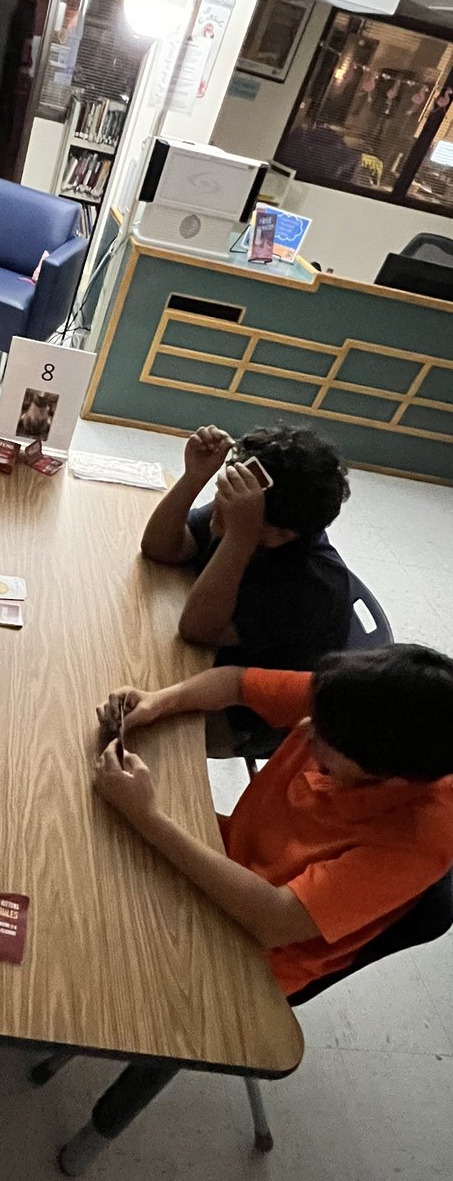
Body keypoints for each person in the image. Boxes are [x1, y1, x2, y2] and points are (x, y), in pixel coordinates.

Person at [95, 644, 453, 999]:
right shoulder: (354, 703)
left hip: (253, 956)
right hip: (223, 854)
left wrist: (147, 816)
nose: (307, 729)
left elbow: (273, 921)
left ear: (388, 775)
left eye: (324, 739)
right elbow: (236, 684)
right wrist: (158, 702)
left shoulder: (420, 837)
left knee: (113, 969)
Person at [141, 424, 351, 754]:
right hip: (210, 668)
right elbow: (161, 548)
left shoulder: (312, 587)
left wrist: (239, 535)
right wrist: (194, 478)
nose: (219, 503)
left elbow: (197, 629)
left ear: (279, 535)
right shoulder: (248, 510)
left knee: (133, 728)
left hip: (248, 718)